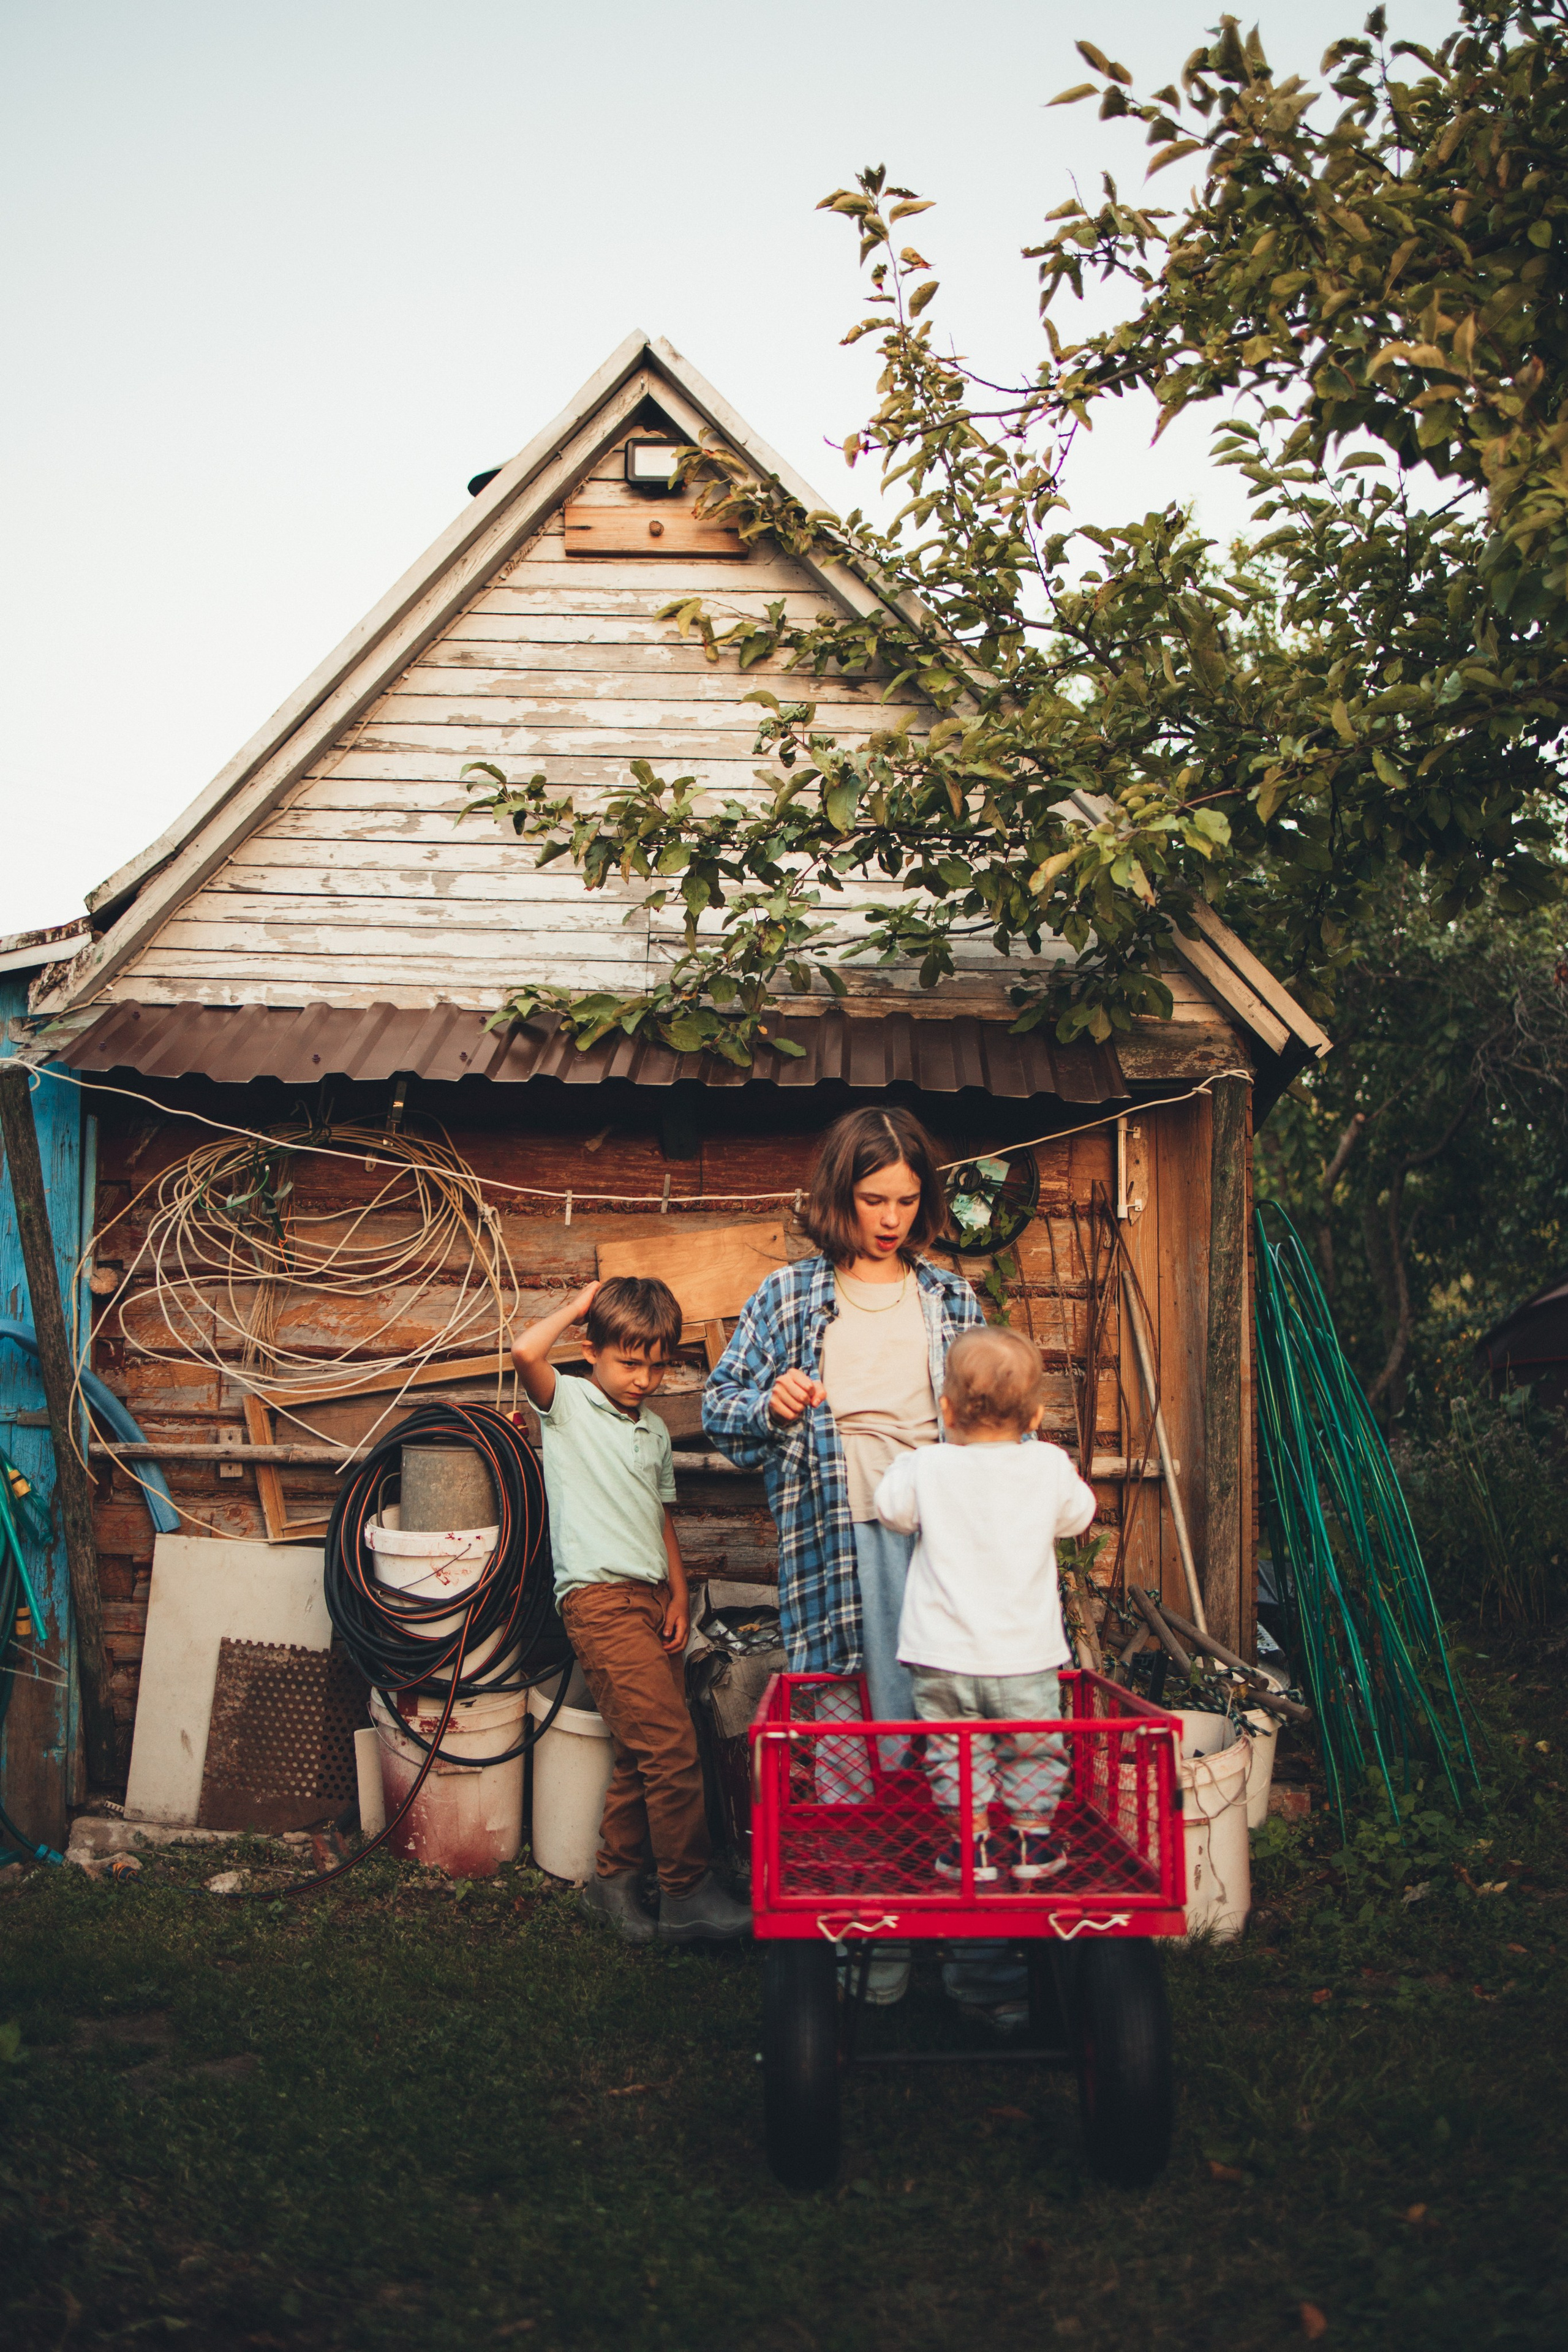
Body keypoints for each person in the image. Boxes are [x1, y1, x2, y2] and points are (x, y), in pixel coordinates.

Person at [703, 1106, 984, 2003]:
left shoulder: (951, 1300)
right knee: (849, 1733)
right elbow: (722, 1411)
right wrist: (771, 1405)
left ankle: (969, 1943)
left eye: (906, 1199)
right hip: (833, 1542)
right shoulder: (788, 1298)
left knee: (948, 1726)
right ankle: (874, 1948)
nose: (891, 1218)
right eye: (873, 1199)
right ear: (841, 1196)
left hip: (939, 1548)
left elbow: (997, 1429)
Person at [513, 1274, 750, 1947]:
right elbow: (525, 1352)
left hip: (651, 1601)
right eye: (629, 1361)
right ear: (592, 1351)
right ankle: (688, 1894)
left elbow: (660, 1518)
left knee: (644, 1749)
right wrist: (578, 1307)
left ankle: (612, 1887)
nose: (644, 1378)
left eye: (657, 1365)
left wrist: (679, 1594)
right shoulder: (570, 1404)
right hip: (599, 1602)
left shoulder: (651, 1431)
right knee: (672, 1751)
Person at [873, 1325, 1098, 1883]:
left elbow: (892, 1512)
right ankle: (1031, 1843)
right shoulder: (1046, 1465)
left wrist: (908, 1463)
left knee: (954, 1752)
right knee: (1033, 1748)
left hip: (943, 1657)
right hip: (1025, 1656)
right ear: (1035, 1417)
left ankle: (970, 1848)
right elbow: (1078, 1518)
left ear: (946, 1410)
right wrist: (1054, 1467)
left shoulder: (928, 1467)